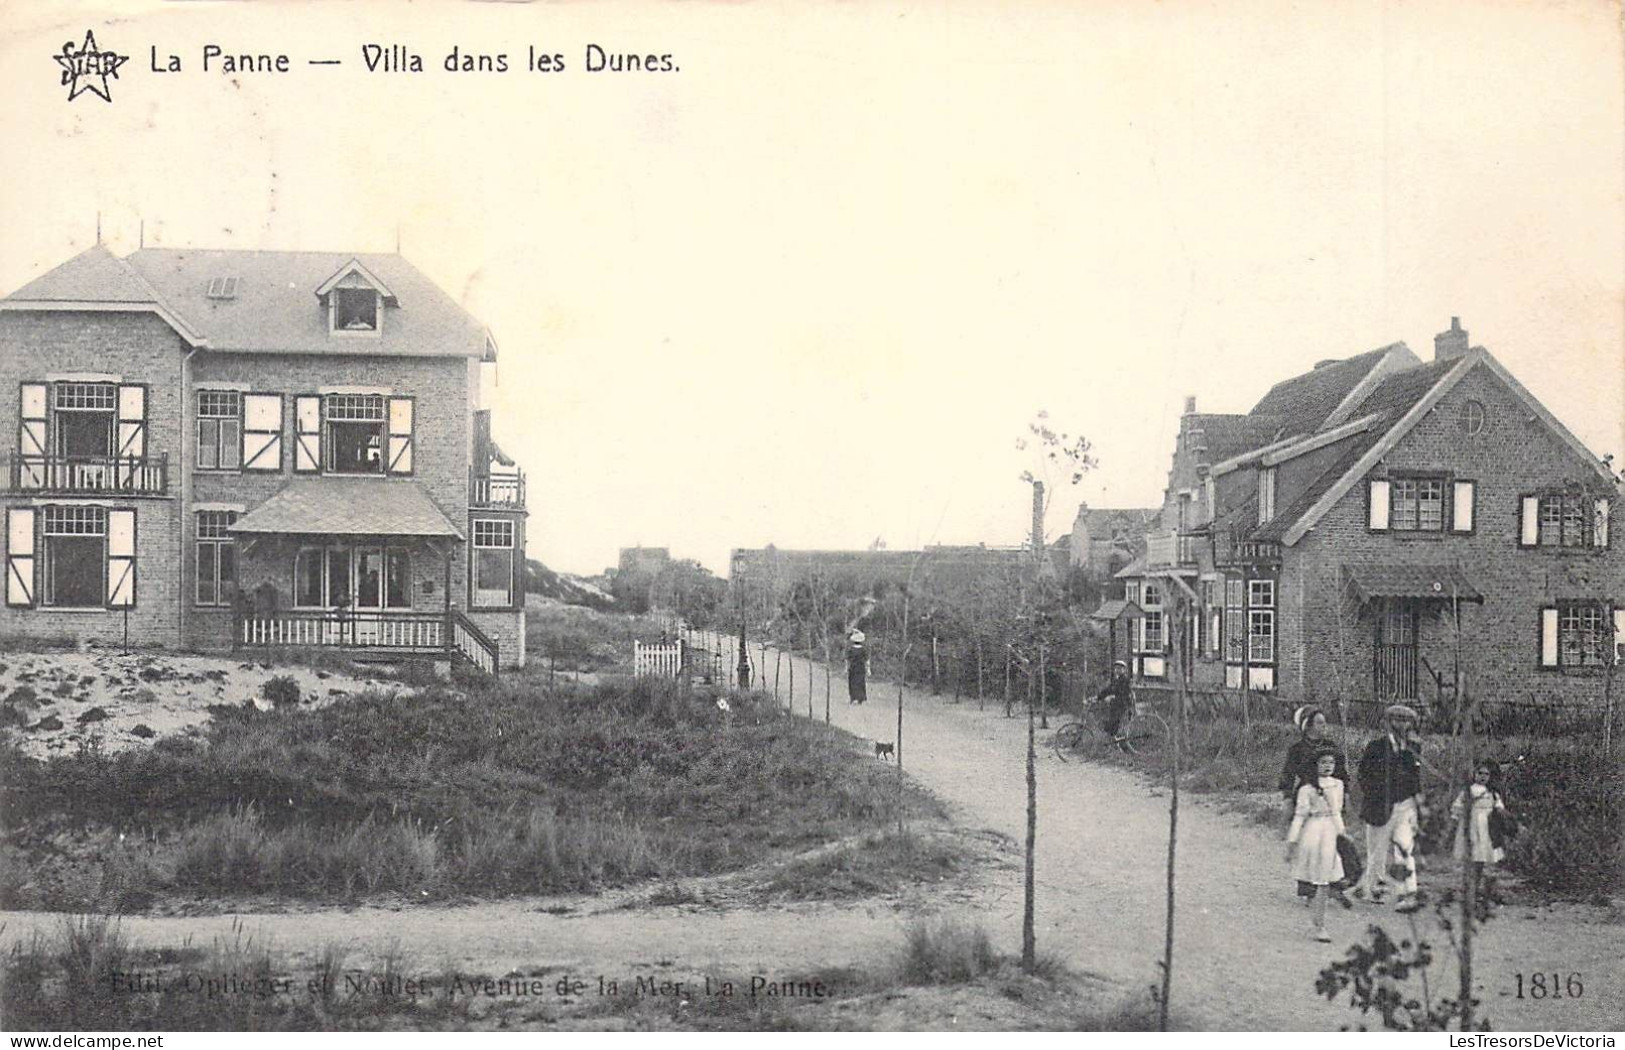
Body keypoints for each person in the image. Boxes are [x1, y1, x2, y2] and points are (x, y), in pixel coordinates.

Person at [1353, 704, 1426, 912]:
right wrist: (1376, 795)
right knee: (1376, 851)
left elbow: (1415, 779)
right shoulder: (1375, 747)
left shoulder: (1413, 749)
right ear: (1387, 723)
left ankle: (1408, 894)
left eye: (1406, 721)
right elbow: (1363, 775)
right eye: (1397, 720)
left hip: (1405, 806)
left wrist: (1418, 803)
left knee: (1405, 848)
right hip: (1379, 805)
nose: (1402, 725)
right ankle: (1374, 887)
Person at [1278, 706, 1350, 904]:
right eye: (1319, 723)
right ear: (1307, 725)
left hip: (1331, 794)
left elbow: (1342, 773)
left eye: (1325, 723)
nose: (1324, 726)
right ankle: (1309, 887)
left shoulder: (1332, 746)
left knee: (1333, 841)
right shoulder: (1297, 749)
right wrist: (1287, 798)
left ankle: (1334, 883)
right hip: (1307, 795)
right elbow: (1288, 774)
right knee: (1307, 843)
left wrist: (1346, 795)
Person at [1286, 747, 1347, 942]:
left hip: (1331, 831)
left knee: (1326, 880)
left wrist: (1343, 834)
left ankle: (1319, 922)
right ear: (1315, 765)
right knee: (1320, 879)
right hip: (1313, 833)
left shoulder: (1338, 785)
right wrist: (1292, 841)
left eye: (1331, 763)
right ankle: (1319, 925)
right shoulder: (1307, 789)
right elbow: (1299, 816)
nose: (1328, 766)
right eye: (1323, 762)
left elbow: (1337, 812)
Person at [1452, 759, 1508, 893]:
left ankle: (1476, 885)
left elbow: (1499, 807)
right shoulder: (1468, 791)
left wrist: (1500, 812)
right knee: (1471, 855)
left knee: (1482, 856)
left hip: (1486, 827)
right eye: (1480, 773)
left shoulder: (1492, 793)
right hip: (1472, 825)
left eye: (1486, 774)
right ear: (1474, 774)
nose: (1483, 776)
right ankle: (1469, 884)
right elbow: (1458, 806)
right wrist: (1456, 819)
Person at [1095, 660, 1134, 742]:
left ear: (1124, 670)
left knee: (1113, 720)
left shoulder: (1125, 680)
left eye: (1120, 668)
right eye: (1116, 668)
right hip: (1117, 703)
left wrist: (1113, 697)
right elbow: (1108, 690)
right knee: (1109, 719)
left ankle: (1115, 740)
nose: (1117, 670)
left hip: (1123, 703)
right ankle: (1113, 740)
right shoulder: (1116, 680)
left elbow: (1124, 694)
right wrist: (1098, 697)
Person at [846, 629, 869, 705]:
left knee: (853, 682)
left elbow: (848, 660)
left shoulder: (851, 649)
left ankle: (854, 698)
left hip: (853, 668)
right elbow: (867, 660)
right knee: (861, 682)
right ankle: (861, 698)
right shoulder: (863, 650)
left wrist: (846, 668)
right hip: (861, 668)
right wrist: (868, 669)